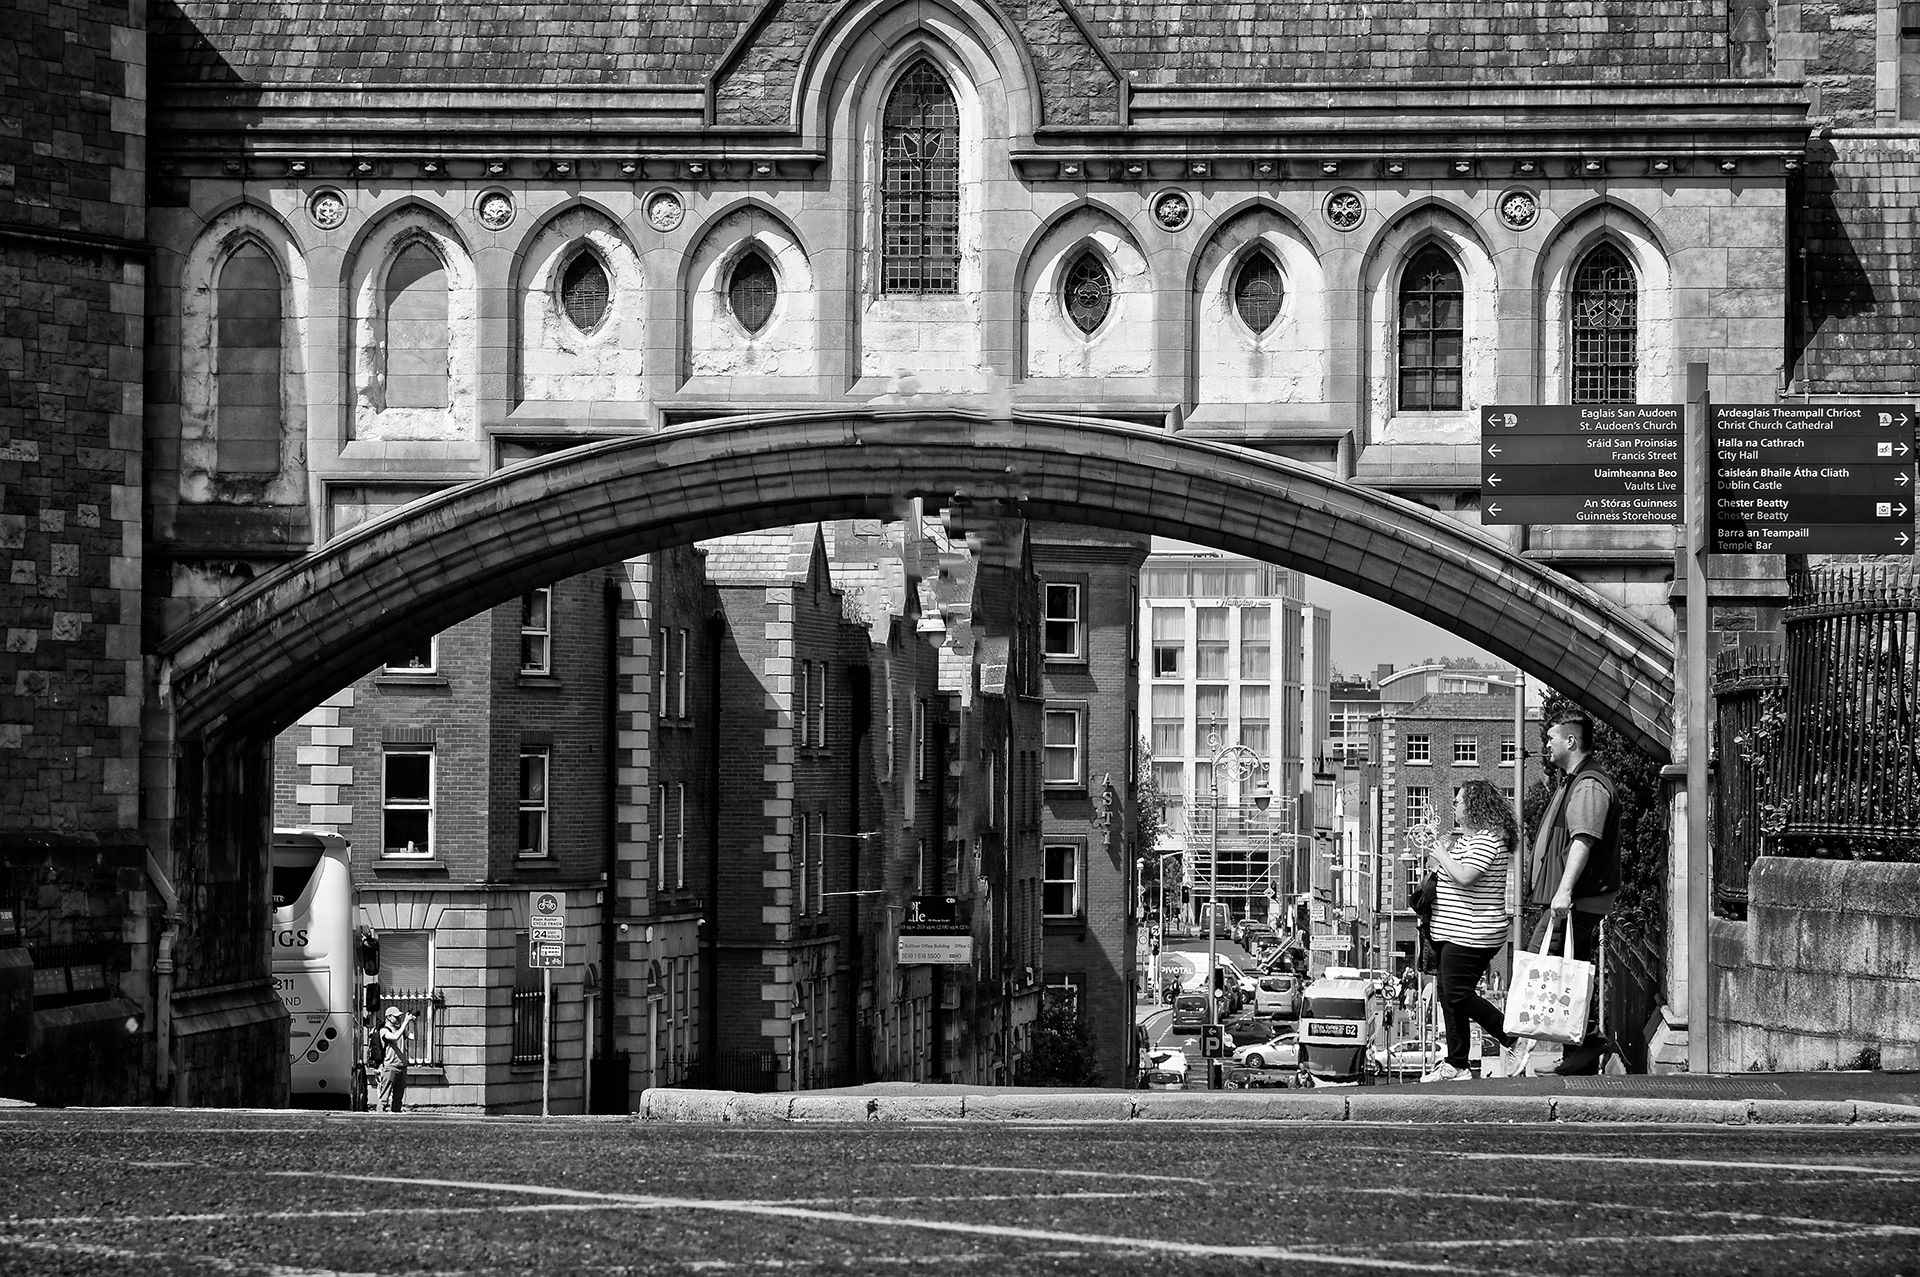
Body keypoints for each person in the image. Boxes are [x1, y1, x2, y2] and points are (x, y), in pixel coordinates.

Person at [1523, 711, 1620, 1074]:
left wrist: (1563, 892)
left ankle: (1586, 1042)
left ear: (1571, 741)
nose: (1546, 744)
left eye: (1551, 738)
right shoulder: (1575, 780)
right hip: (1573, 897)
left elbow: (1584, 840)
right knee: (1568, 968)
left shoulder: (1588, 784)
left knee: (1546, 961)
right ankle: (1579, 1053)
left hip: (1576, 897)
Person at [1419, 778, 1527, 1082]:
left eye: (1459, 801)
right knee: (1448, 995)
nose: (1454, 805)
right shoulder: (1469, 839)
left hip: (1473, 931)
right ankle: (1457, 1064)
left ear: (1475, 805)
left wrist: (1443, 856)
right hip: (1451, 930)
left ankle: (1512, 1038)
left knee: (1458, 995)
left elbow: (1466, 876)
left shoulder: (1488, 839)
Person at [375, 1004, 413, 1112]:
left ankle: (396, 1116)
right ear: (388, 1017)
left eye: (400, 1017)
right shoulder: (384, 1030)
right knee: (384, 1098)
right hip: (390, 1066)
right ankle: (379, 1116)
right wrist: (405, 1022)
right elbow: (395, 1037)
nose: (399, 1019)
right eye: (396, 1017)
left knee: (398, 1099)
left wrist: (413, 1023)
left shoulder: (400, 1029)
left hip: (402, 1067)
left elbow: (414, 1037)